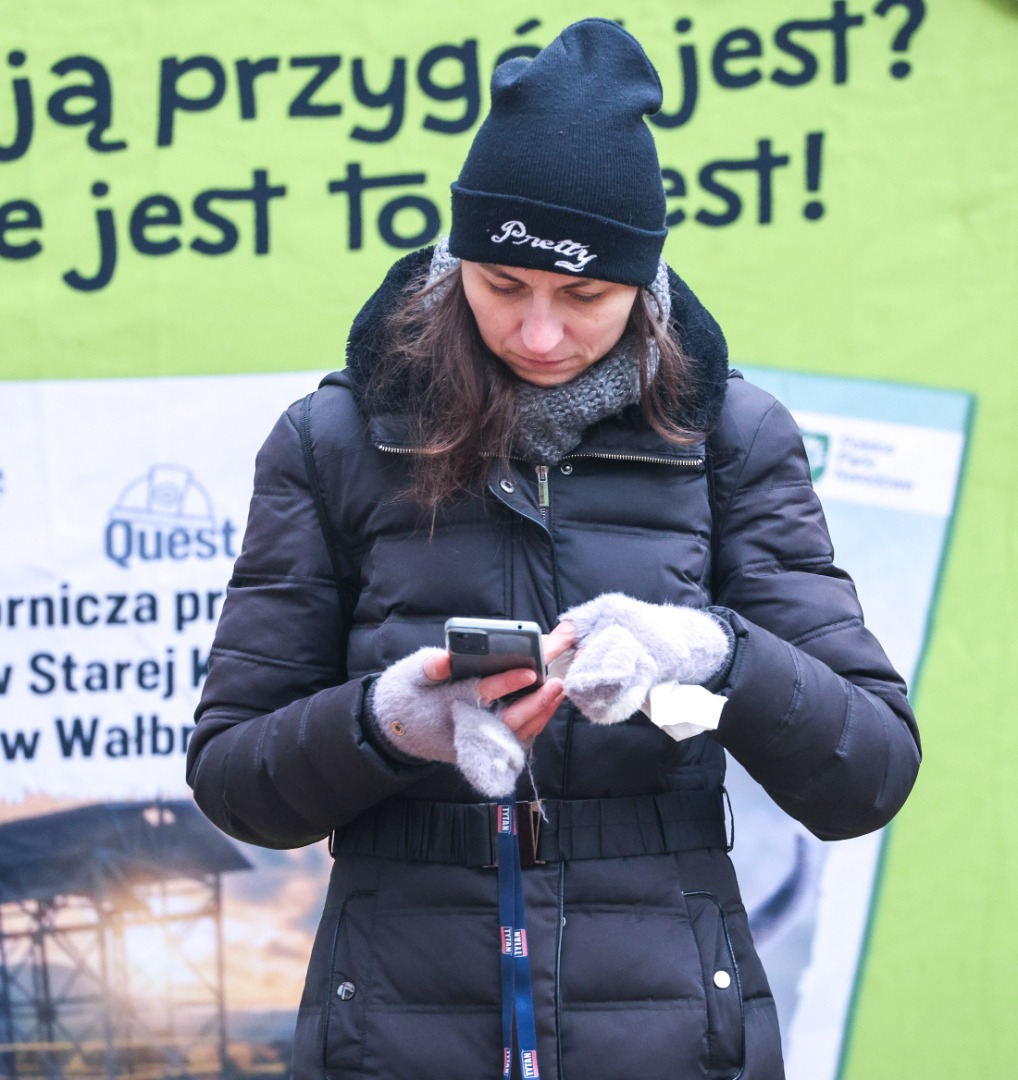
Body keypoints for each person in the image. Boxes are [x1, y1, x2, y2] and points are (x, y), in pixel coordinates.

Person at [186, 18, 921, 1080]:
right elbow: (234, 782)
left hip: (673, 1033)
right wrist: (389, 724)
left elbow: (869, 777)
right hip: (394, 1029)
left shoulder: (732, 438)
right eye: (500, 284)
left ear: (645, 286)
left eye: (584, 295)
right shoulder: (332, 441)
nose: (538, 334)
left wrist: (710, 650)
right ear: (453, 262)